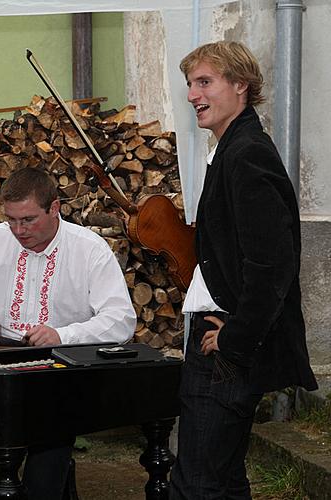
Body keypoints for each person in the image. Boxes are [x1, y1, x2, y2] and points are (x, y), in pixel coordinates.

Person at [169, 41, 317, 499]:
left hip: (225, 349)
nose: (193, 94)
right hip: (219, 342)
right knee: (221, 481)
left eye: (205, 82)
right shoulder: (231, 148)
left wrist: (234, 338)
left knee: (198, 484)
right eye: (191, 84)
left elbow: (273, 265)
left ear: (241, 86)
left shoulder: (247, 153)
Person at [0, 167, 136, 500]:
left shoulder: (89, 248)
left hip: (58, 366)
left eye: (28, 220)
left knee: (51, 431)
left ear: (54, 207)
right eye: (11, 219)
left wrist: (63, 335)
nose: (18, 230)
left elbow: (121, 320)